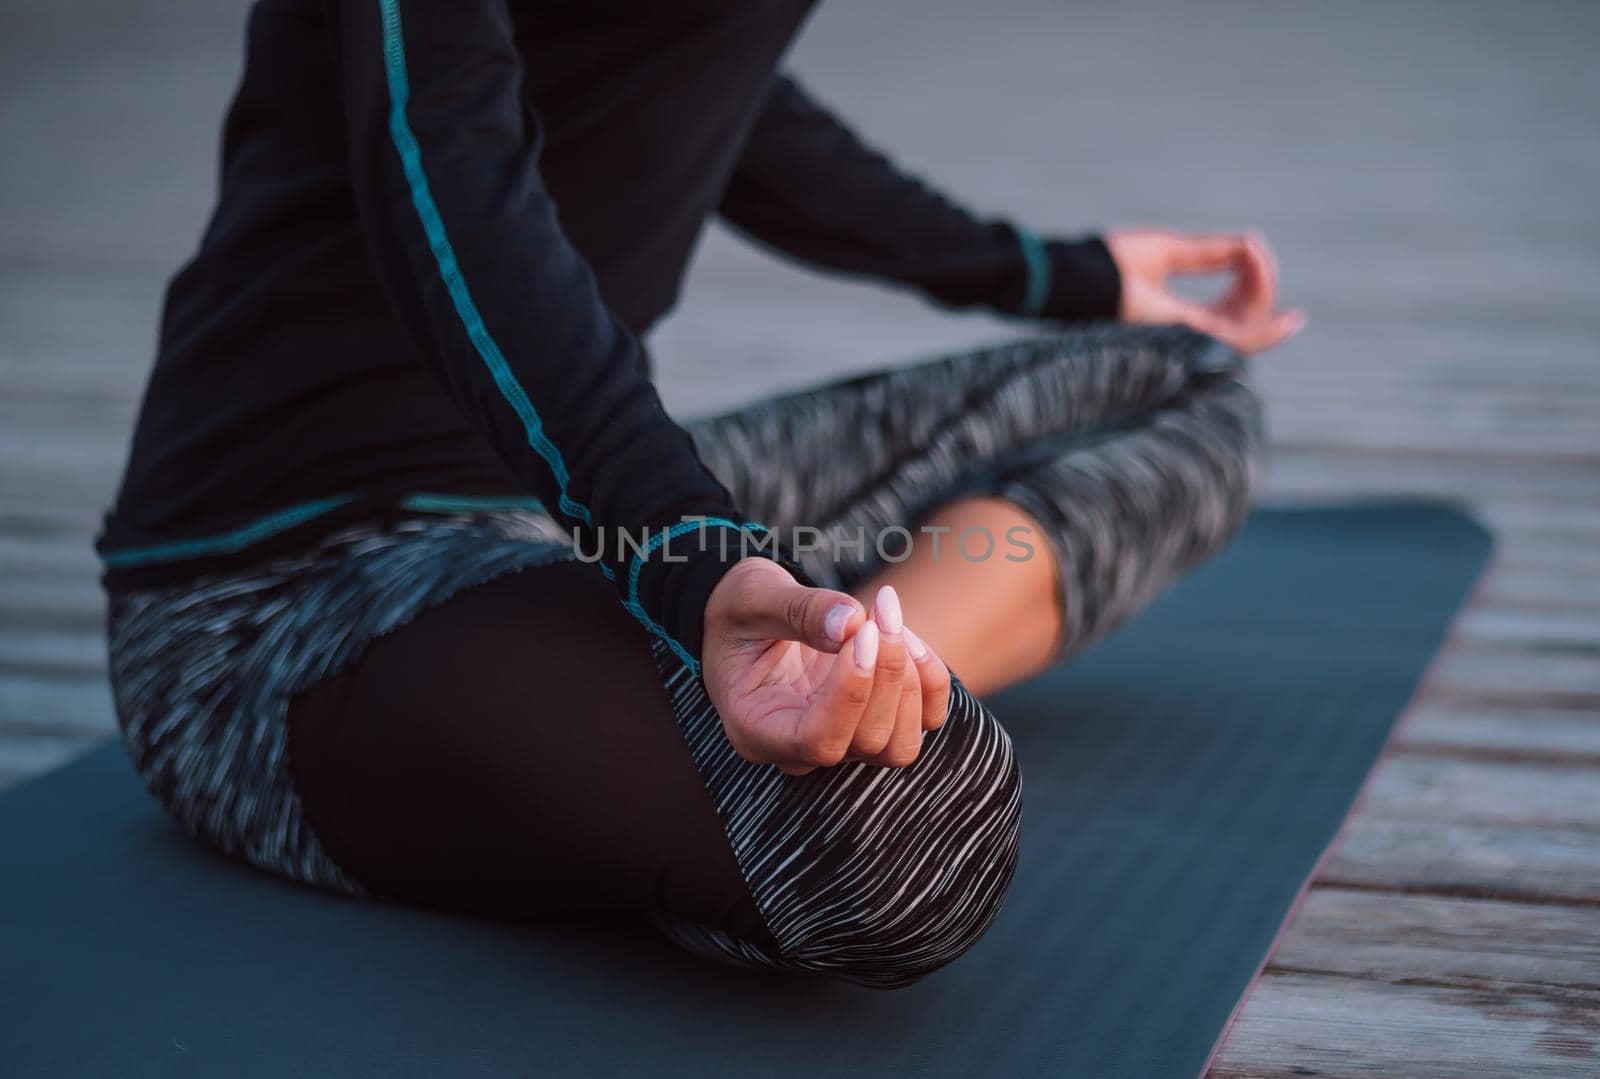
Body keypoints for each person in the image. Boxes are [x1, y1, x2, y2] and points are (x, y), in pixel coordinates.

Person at [98, 0, 1301, 989]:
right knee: (902, 843)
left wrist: (1051, 272)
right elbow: (443, 153)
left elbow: (705, 89)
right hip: (292, 585)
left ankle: (858, 673)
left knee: (1180, 382)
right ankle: (823, 706)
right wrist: (692, 555)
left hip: (567, 486)